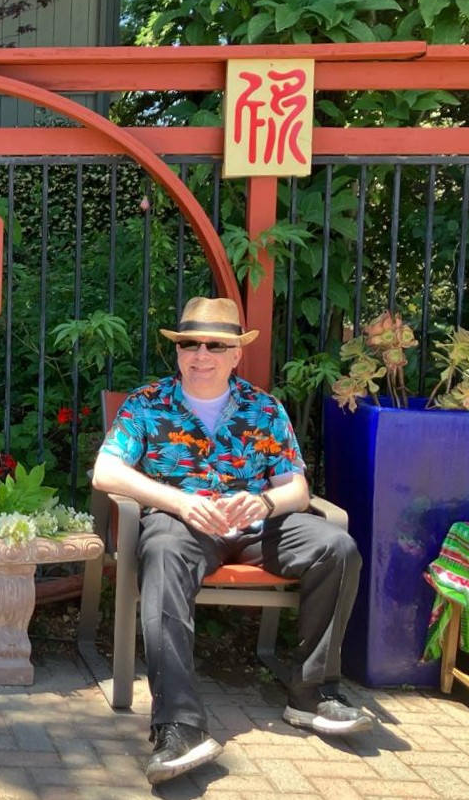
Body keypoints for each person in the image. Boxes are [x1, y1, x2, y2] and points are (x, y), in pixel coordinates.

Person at [92, 297, 372, 786]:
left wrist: (264, 504)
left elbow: (297, 488)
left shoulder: (264, 409)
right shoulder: (147, 404)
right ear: (178, 352)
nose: (202, 355)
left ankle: (312, 693)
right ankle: (179, 726)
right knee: (161, 550)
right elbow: (106, 470)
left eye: (215, 345)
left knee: (338, 547)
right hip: (182, 526)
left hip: (255, 527)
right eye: (190, 345)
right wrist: (178, 502)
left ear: (236, 353)